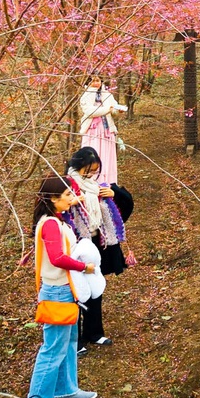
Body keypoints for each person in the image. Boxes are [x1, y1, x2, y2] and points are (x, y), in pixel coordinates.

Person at [28, 176, 97, 398]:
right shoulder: (50, 224)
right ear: (53, 199)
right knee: (53, 347)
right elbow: (57, 258)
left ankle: (66, 389)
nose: (72, 198)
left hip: (65, 290)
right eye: (67, 195)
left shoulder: (57, 220)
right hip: (57, 291)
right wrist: (84, 267)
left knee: (68, 343)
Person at [63, 147, 129, 354]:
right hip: (75, 245)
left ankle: (94, 332)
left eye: (95, 170)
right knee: (76, 291)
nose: (92, 174)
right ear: (78, 167)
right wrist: (72, 201)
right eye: (88, 170)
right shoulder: (66, 186)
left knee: (94, 287)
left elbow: (124, 208)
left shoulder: (96, 187)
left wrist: (114, 194)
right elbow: (55, 210)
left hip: (95, 242)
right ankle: (75, 340)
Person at [78, 76, 127, 185]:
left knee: (107, 158)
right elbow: (90, 111)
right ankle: (93, 183)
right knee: (94, 156)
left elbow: (113, 109)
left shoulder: (107, 94)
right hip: (93, 131)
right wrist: (108, 109)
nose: (96, 83)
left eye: (98, 80)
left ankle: (108, 183)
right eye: (93, 81)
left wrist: (118, 110)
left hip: (106, 130)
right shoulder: (86, 96)